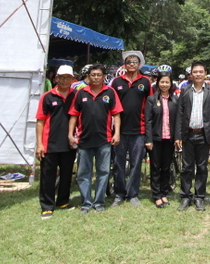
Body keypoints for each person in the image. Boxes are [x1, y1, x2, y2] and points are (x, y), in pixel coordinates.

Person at [68, 64, 122, 213]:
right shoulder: (81, 93)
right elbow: (73, 114)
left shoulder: (110, 92)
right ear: (88, 76)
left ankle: (99, 202)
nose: (96, 77)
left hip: (104, 139)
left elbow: (116, 114)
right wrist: (70, 134)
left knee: (103, 172)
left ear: (104, 76)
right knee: (83, 174)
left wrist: (117, 133)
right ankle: (86, 203)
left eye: (99, 75)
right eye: (93, 75)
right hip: (84, 140)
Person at [175, 61, 210, 211]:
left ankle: (200, 197)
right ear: (191, 74)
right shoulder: (185, 90)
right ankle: (185, 196)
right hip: (188, 134)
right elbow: (180, 114)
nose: (198, 74)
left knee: (202, 167)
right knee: (186, 167)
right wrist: (178, 136)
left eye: (201, 72)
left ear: (205, 73)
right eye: (195, 72)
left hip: (204, 135)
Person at [35, 65, 78, 219]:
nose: (65, 80)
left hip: (69, 142)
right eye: (62, 77)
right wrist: (39, 144)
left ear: (72, 79)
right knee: (48, 176)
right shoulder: (47, 96)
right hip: (50, 143)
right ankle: (47, 206)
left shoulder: (76, 95)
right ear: (56, 78)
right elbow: (40, 121)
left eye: (68, 77)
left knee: (67, 174)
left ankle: (63, 201)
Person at [110, 51, 152, 207]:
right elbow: (112, 106)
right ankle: (119, 193)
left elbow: (150, 105)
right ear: (124, 65)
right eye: (129, 62)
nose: (132, 64)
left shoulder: (146, 82)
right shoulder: (116, 82)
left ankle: (133, 194)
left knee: (136, 163)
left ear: (139, 64)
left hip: (139, 130)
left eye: (135, 62)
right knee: (118, 163)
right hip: (120, 130)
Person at [145, 67, 179, 208]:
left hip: (169, 139)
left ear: (171, 84)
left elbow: (178, 120)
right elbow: (148, 121)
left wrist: (177, 137)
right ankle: (156, 194)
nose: (164, 84)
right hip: (156, 139)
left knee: (166, 167)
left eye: (167, 82)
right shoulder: (151, 99)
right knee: (155, 167)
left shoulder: (175, 100)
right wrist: (148, 139)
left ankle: (164, 192)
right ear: (157, 83)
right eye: (162, 82)